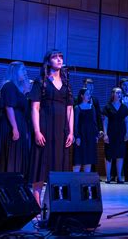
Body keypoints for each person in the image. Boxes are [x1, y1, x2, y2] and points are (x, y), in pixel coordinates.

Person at [29, 49, 74, 206]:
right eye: (55, 57)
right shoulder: (41, 81)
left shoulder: (67, 83)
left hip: (61, 131)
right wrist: (36, 131)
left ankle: (56, 202)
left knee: (59, 166)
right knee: (41, 163)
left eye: (61, 57)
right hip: (45, 128)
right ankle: (36, 202)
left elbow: (70, 109)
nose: (59, 60)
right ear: (48, 61)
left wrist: (71, 132)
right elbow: (34, 108)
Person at [0, 61, 31, 177]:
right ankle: (8, 183)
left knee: (17, 154)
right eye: (22, 70)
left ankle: (16, 182)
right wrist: (15, 128)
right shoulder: (8, 85)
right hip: (10, 124)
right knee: (10, 153)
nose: (25, 73)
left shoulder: (17, 88)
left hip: (19, 123)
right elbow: (9, 107)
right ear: (15, 71)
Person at [103, 87, 128, 183]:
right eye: (118, 93)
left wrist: (127, 133)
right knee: (109, 155)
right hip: (110, 134)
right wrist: (105, 134)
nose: (119, 94)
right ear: (113, 94)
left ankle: (119, 177)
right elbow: (105, 121)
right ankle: (108, 177)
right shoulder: (108, 107)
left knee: (120, 155)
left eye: (121, 93)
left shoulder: (124, 107)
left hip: (121, 134)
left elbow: (127, 121)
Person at [73, 88, 100, 173]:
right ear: (82, 96)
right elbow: (75, 123)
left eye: (89, 94)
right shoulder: (77, 108)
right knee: (78, 159)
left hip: (90, 136)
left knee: (88, 160)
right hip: (81, 137)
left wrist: (96, 135)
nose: (89, 96)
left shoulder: (92, 107)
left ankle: (85, 182)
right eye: (87, 94)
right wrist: (77, 136)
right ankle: (75, 181)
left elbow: (94, 122)